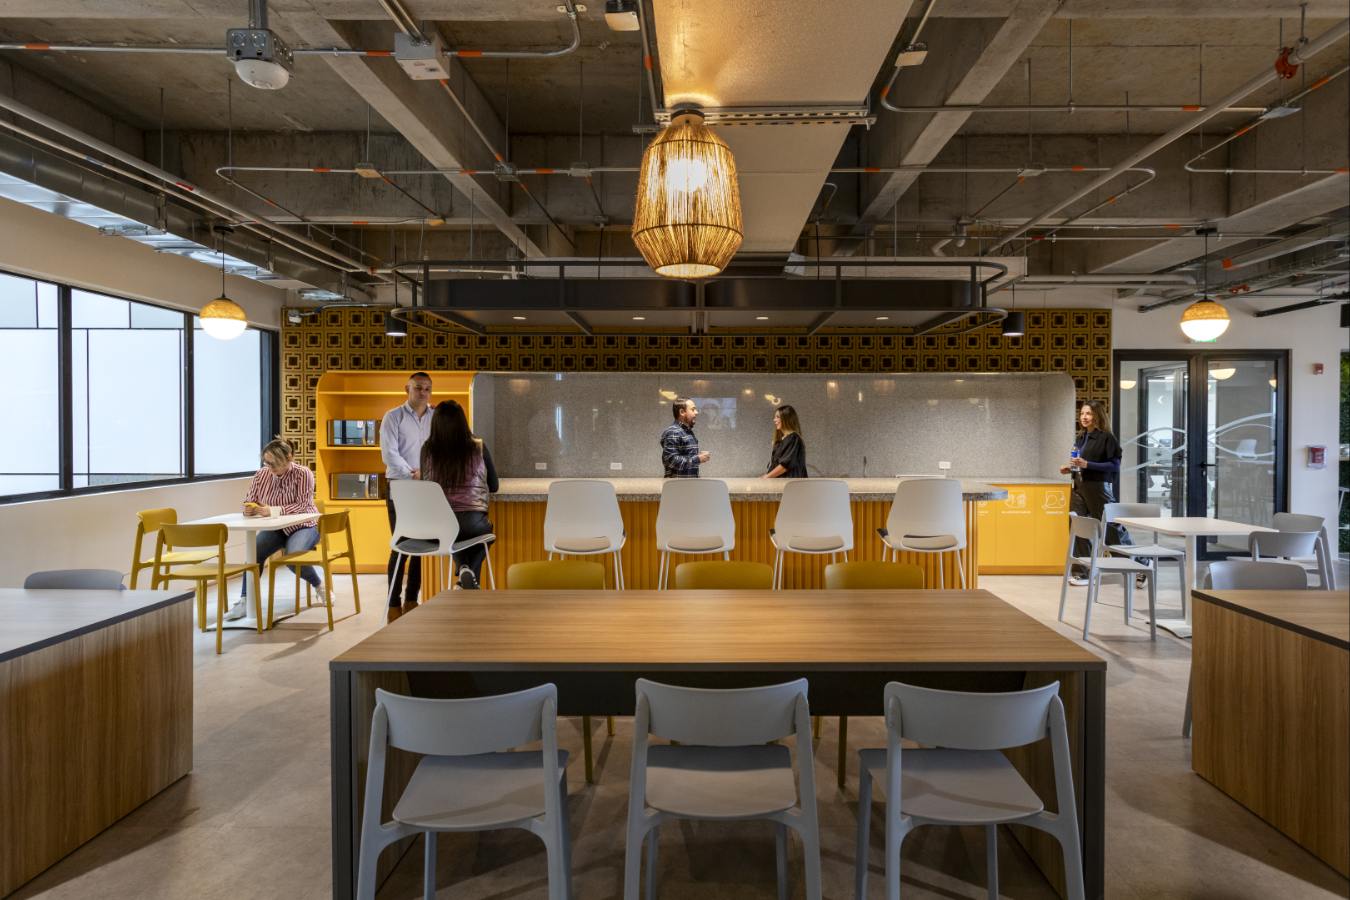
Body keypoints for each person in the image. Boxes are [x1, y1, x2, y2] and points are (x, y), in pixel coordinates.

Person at [234, 438, 321, 619]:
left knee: (292, 558)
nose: (270, 467)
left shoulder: (303, 473)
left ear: (289, 458)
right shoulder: (261, 474)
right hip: (276, 528)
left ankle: (319, 585)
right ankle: (245, 600)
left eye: (274, 463)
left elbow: (304, 505)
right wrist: (249, 508)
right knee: (254, 553)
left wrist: (274, 510)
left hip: (303, 526)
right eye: (267, 463)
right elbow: (250, 500)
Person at [419, 399, 498, 589]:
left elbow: (425, 488)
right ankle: (468, 576)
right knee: (485, 534)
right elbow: (494, 486)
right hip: (474, 523)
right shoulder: (478, 446)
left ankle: (463, 569)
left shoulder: (427, 450)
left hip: (438, 525)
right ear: (463, 421)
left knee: (452, 532)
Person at [381, 371, 434, 609]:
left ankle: (412, 599)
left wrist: (427, 472)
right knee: (401, 545)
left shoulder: (436, 417)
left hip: (427, 489)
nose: (423, 392)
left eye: (427, 389)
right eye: (418, 387)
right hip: (400, 488)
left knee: (422, 545)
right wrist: (413, 473)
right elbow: (389, 453)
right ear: (407, 389)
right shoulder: (393, 417)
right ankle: (393, 602)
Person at [1060, 399, 1126, 585]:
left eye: (1088, 413)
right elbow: (1080, 463)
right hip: (1079, 486)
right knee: (1078, 526)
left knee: (1110, 529)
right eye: (1082, 413)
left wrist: (1088, 464)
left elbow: (1114, 465)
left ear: (1097, 415)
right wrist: (1070, 468)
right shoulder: (1081, 437)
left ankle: (1139, 564)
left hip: (1098, 488)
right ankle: (1083, 572)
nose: (1084, 417)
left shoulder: (1107, 438)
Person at [660, 397, 710, 478]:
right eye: (693, 409)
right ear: (682, 412)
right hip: (678, 485)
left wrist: (698, 456)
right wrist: (697, 459)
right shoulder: (673, 432)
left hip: (687, 484)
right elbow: (672, 461)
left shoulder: (687, 431)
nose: (696, 412)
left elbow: (685, 457)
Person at [762, 404, 807, 478]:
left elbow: (785, 465)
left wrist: (767, 476)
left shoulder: (793, 438)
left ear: (786, 419)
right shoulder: (781, 440)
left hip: (790, 482)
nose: (774, 420)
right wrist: (766, 475)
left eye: (777, 417)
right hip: (781, 482)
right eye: (774, 417)